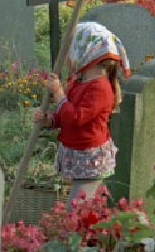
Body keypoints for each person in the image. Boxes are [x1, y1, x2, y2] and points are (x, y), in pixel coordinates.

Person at [33, 21, 130, 208]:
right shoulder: (78, 81)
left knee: (75, 209)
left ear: (85, 52)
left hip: (91, 159)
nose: (68, 55)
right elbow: (65, 116)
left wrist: (58, 94)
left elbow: (77, 118)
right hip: (79, 156)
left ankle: (84, 234)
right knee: (82, 208)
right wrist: (50, 120)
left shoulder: (100, 88)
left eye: (70, 49)